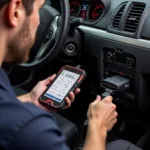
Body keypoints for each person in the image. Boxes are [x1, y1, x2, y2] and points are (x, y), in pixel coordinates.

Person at [0, 0, 118, 150]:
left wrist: (29, 99)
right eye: (39, 9)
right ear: (15, 11)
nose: (39, 22)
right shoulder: (31, 130)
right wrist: (98, 126)